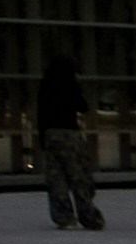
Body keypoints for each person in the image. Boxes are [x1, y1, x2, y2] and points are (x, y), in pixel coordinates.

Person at [35, 47, 105, 232]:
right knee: (78, 177)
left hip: (51, 134)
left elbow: (40, 113)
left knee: (56, 178)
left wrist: (42, 137)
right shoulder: (70, 83)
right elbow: (83, 107)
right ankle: (89, 216)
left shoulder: (46, 84)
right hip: (69, 133)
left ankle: (64, 217)